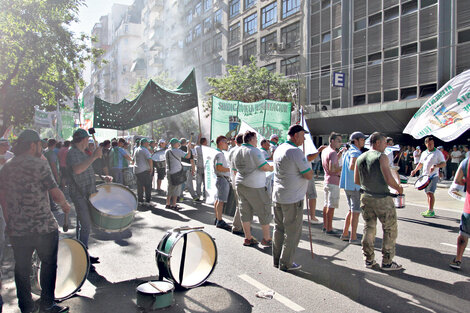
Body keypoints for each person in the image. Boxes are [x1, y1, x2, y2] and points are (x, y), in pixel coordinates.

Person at [0, 129, 71, 313]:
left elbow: (3, 198)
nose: (42, 147)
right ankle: (47, 304)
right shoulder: (39, 164)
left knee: (21, 269)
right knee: (48, 265)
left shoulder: (7, 166)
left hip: (18, 230)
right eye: (40, 144)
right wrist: (65, 205)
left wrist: (10, 223)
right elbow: (55, 193)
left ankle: (26, 307)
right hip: (42, 228)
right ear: (33, 145)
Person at [354, 132, 404, 271]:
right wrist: (398, 188)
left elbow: (356, 180)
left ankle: (369, 259)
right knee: (389, 228)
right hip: (382, 198)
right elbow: (389, 179)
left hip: (366, 197)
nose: (386, 145)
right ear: (376, 143)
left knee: (368, 228)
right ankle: (387, 261)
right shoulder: (381, 157)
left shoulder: (361, 157)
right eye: (384, 143)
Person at [67, 129, 110, 268]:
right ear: (83, 139)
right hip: (79, 194)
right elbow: (77, 170)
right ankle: (81, 257)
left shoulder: (81, 153)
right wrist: (93, 157)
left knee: (86, 226)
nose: (89, 142)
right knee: (84, 225)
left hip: (87, 193)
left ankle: (83, 252)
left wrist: (102, 177)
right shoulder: (72, 153)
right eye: (87, 140)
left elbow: (87, 172)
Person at [272, 125, 313, 271]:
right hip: (292, 198)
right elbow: (308, 174)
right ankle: (286, 263)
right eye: (303, 135)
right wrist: (308, 163)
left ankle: (277, 260)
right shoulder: (295, 151)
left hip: (279, 195)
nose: (304, 139)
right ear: (295, 135)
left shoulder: (280, 148)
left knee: (279, 230)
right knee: (292, 232)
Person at [233, 131, 273, 247]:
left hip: (240, 182)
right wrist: (271, 168)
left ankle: (248, 238)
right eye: (256, 139)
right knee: (264, 210)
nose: (257, 141)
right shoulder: (254, 151)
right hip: (255, 185)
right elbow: (264, 167)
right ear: (252, 139)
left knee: (245, 211)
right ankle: (266, 238)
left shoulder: (237, 150)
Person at [340, 131, 367, 244]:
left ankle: (345, 233)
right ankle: (353, 237)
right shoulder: (355, 152)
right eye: (362, 139)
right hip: (355, 185)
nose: (364, 141)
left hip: (348, 185)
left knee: (351, 210)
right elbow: (352, 166)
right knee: (355, 212)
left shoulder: (348, 150)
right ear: (356, 140)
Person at [410, 136, 446, 218]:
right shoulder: (424, 153)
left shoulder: (438, 153)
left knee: (430, 192)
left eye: (432, 143)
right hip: (425, 176)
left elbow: (444, 163)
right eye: (429, 144)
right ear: (426, 144)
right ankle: (429, 209)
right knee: (427, 193)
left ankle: (431, 211)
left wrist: (436, 166)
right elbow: (421, 164)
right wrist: (415, 170)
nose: (431, 145)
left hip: (433, 176)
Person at [449, 156, 470, 269]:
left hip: (469, 207)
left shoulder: (466, 162)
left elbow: (457, 180)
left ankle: (458, 259)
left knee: (464, 234)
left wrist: (467, 181)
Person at [321, 132, 344, 234]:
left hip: (327, 180)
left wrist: (339, 155)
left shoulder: (326, 151)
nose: (340, 143)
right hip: (333, 180)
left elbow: (331, 163)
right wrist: (342, 168)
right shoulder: (333, 153)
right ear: (332, 141)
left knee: (326, 204)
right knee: (331, 206)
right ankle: (329, 228)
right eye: (338, 141)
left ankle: (325, 225)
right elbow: (332, 168)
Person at [212, 136, 232, 231]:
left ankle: (217, 218)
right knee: (221, 202)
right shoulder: (220, 154)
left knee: (218, 200)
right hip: (222, 179)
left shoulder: (218, 153)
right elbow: (219, 168)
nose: (227, 144)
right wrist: (230, 169)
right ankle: (219, 220)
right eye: (225, 142)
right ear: (220, 143)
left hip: (220, 179)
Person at [165, 138, 191, 209]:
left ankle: (167, 203)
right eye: (177, 143)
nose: (179, 144)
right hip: (176, 172)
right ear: (175, 144)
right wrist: (188, 148)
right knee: (176, 189)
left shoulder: (167, 151)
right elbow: (188, 156)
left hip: (169, 172)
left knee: (170, 188)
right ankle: (174, 204)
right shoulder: (177, 151)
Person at [227, 133, 244, 235]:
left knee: (240, 204)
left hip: (235, 180)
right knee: (241, 205)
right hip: (239, 181)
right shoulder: (239, 151)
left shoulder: (232, 150)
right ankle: (237, 226)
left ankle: (241, 225)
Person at [305, 145, 327, 224]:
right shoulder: (302, 147)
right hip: (305, 173)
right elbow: (309, 158)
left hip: (304, 172)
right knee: (312, 195)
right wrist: (319, 150)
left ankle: (312, 216)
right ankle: (312, 217)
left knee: (310, 196)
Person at [133, 138, 153, 205]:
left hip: (137, 170)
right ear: (144, 143)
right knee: (148, 186)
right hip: (144, 170)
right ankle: (147, 201)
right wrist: (151, 168)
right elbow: (150, 159)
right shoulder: (145, 150)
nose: (148, 144)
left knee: (140, 186)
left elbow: (133, 159)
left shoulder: (136, 149)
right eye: (147, 143)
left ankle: (140, 200)